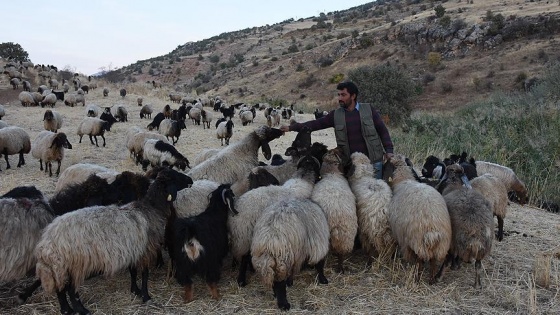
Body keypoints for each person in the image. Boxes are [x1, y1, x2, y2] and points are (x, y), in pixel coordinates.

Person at [280, 81, 393, 179]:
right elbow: (315, 124)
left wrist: (389, 150)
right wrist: (291, 127)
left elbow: (382, 130)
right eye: (338, 95)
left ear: (353, 96)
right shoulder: (335, 115)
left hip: (374, 161)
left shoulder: (368, 110)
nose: (339, 98)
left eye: (343, 95)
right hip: (350, 164)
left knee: (377, 194)